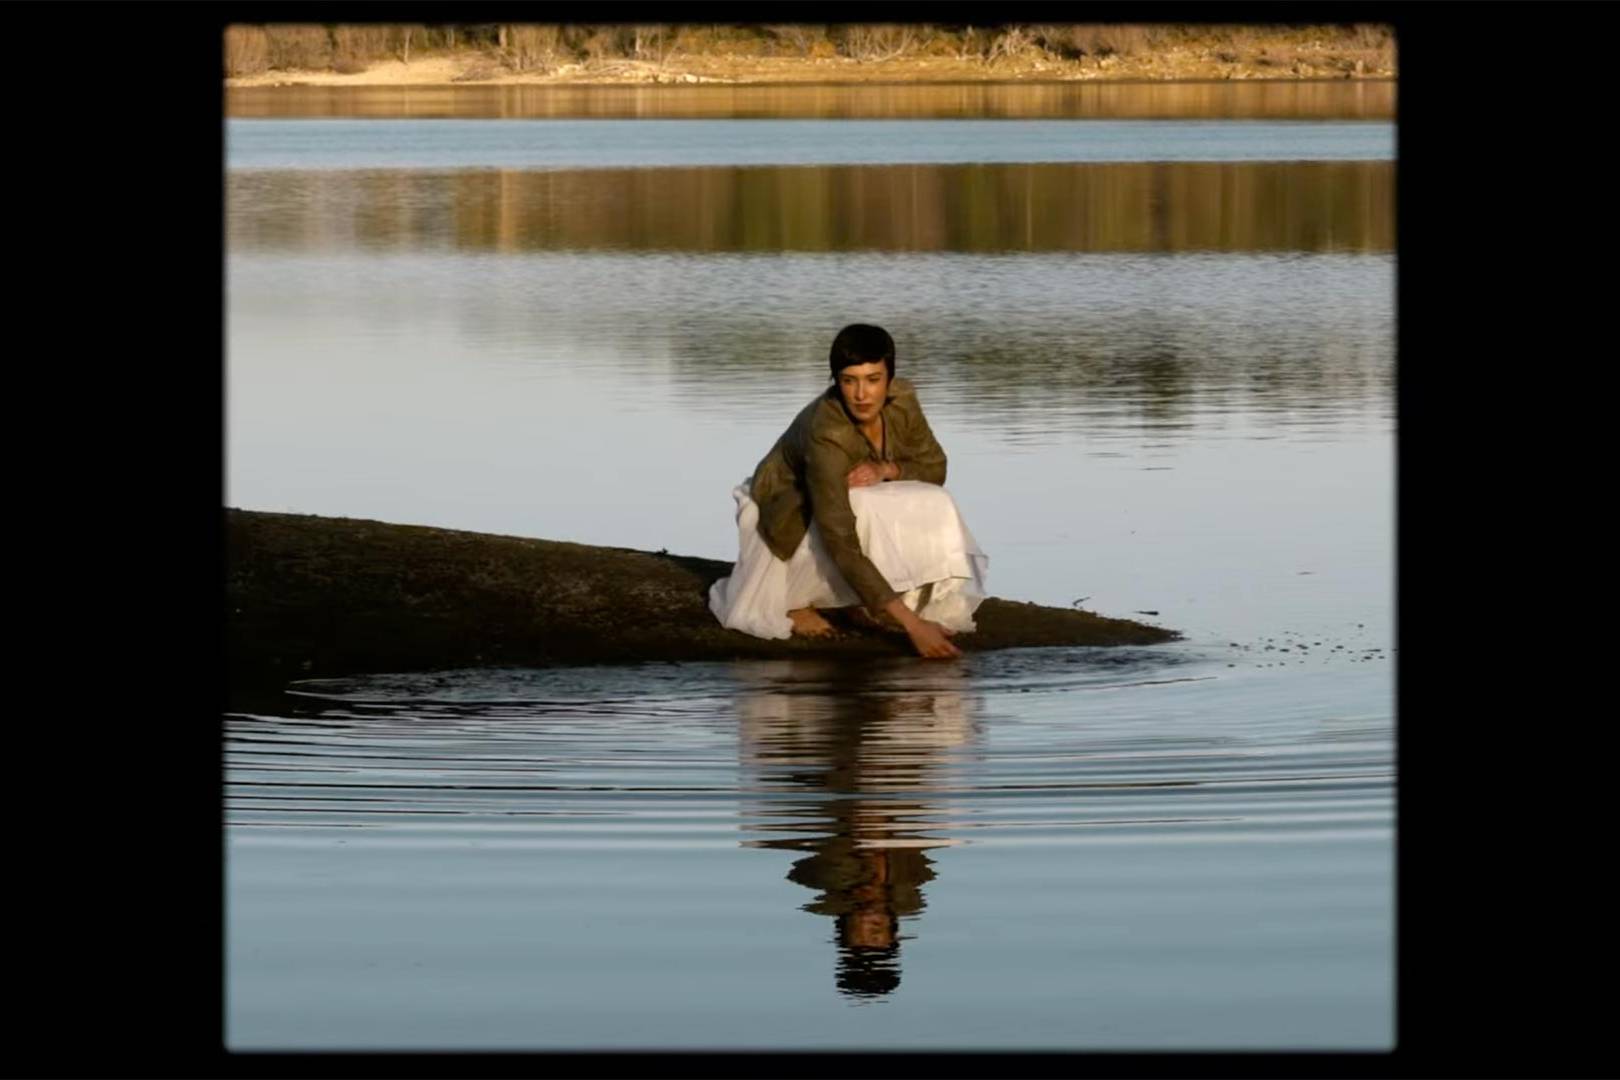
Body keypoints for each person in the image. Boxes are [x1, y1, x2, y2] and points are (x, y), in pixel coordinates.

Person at [708, 324, 987, 658]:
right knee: (858, 505)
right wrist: (913, 626)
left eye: (873, 380)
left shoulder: (904, 401)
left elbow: (935, 469)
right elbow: (838, 536)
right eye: (849, 380)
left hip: (844, 502)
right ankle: (795, 601)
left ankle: (858, 600)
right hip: (786, 512)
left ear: (890, 378)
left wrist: (888, 469)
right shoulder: (826, 434)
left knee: (934, 500)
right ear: (836, 381)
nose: (861, 394)